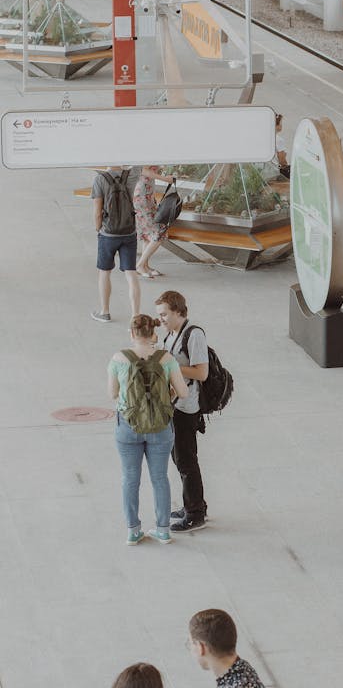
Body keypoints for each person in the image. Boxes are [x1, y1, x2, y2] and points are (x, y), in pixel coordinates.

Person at [109, 314, 188, 544]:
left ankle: (133, 531)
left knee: (130, 479)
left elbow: (112, 393)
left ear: (132, 334)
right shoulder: (167, 358)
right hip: (160, 426)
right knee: (160, 478)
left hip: (128, 425)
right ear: (154, 334)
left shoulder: (118, 358)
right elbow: (183, 392)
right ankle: (163, 530)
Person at [156, 290, 210, 533]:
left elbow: (201, 373)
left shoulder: (194, 334)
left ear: (178, 311)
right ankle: (193, 505)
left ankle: (195, 513)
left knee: (186, 460)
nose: (161, 319)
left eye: (164, 314)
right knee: (179, 458)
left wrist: (171, 365)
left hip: (187, 407)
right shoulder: (171, 334)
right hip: (174, 404)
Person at [91, 165, 140, 323]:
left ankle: (105, 312)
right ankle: (135, 317)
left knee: (104, 272)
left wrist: (98, 229)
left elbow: (98, 212)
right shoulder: (132, 174)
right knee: (131, 274)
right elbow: (139, 162)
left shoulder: (99, 179)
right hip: (129, 232)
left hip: (108, 234)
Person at [134, 165, 173, 278]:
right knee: (160, 231)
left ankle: (145, 266)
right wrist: (165, 179)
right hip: (142, 197)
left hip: (147, 196)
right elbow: (143, 170)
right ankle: (140, 265)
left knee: (148, 234)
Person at [274, 113, 290, 179]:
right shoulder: (279, 140)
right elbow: (282, 161)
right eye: (280, 123)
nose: (281, 125)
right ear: (275, 125)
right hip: (275, 172)